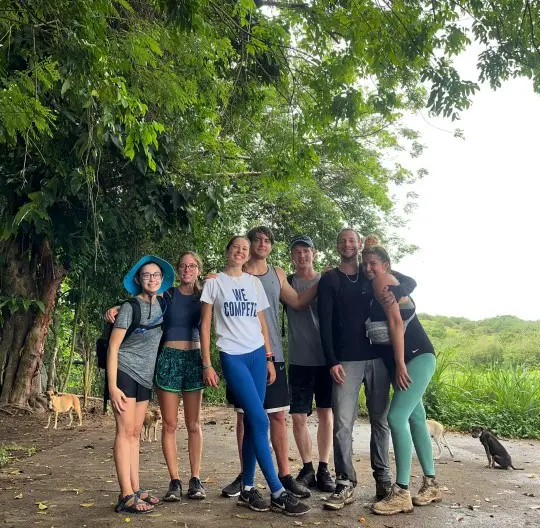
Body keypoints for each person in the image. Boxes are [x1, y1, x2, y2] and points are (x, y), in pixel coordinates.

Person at [200, 236, 310, 516]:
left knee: (253, 421)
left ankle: (248, 488)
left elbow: (262, 323)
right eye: (236, 247)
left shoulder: (255, 283)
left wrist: (270, 358)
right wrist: (207, 363)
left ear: (248, 255)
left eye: (244, 249)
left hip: (259, 355)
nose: (240, 251)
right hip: (232, 355)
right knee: (260, 418)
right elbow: (204, 325)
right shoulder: (214, 282)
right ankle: (277, 490)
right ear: (227, 251)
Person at [318, 229, 417, 510]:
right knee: (342, 426)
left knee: (380, 421)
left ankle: (383, 480)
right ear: (337, 246)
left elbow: (409, 283)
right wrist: (332, 361)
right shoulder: (330, 279)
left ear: (360, 245)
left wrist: (382, 264)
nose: (348, 244)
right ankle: (345, 484)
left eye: (353, 240)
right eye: (343, 240)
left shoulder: (372, 273)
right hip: (345, 361)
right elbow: (324, 324)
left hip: (378, 358)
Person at [221, 226, 317, 499]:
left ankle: (284, 476)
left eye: (267, 240)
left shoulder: (277, 274)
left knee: (277, 415)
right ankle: (245, 476)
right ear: (248, 245)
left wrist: (323, 281)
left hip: (273, 354)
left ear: (272, 246)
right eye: (257, 240)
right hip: (242, 354)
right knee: (245, 417)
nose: (262, 243)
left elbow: (297, 301)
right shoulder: (233, 274)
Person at [105, 252, 206, 501]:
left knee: (190, 424)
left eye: (192, 266)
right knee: (165, 425)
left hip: (189, 360)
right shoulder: (167, 295)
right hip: (161, 361)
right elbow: (137, 304)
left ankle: (194, 479)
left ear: (199, 270)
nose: (187, 269)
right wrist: (117, 308)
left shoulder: (206, 294)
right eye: (182, 265)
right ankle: (172, 481)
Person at [362, 245, 442, 515]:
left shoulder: (384, 281)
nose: (369, 267)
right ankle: (431, 484)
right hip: (412, 359)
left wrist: (398, 364)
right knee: (417, 418)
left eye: (374, 262)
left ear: (385, 264)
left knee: (396, 418)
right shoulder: (380, 282)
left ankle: (402, 492)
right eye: (366, 263)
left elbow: (396, 323)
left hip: (415, 358)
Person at [107, 255, 175, 514]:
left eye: (156, 275)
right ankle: (125, 495)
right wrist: (112, 386)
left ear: (162, 279)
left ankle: (135, 488)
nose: (152, 279)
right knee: (124, 433)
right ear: (138, 280)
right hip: (124, 372)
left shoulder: (164, 303)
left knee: (136, 433)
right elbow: (113, 348)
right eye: (146, 275)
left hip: (145, 376)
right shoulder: (128, 307)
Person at [285, 235, 335, 493]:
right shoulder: (288, 283)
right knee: (297, 416)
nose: (302, 255)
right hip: (299, 360)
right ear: (292, 257)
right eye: (297, 252)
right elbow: (295, 302)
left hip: (327, 360)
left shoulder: (328, 279)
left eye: (306, 250)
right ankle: (307, 468)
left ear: (314, 253)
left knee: (326, 414)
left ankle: (324, 467)